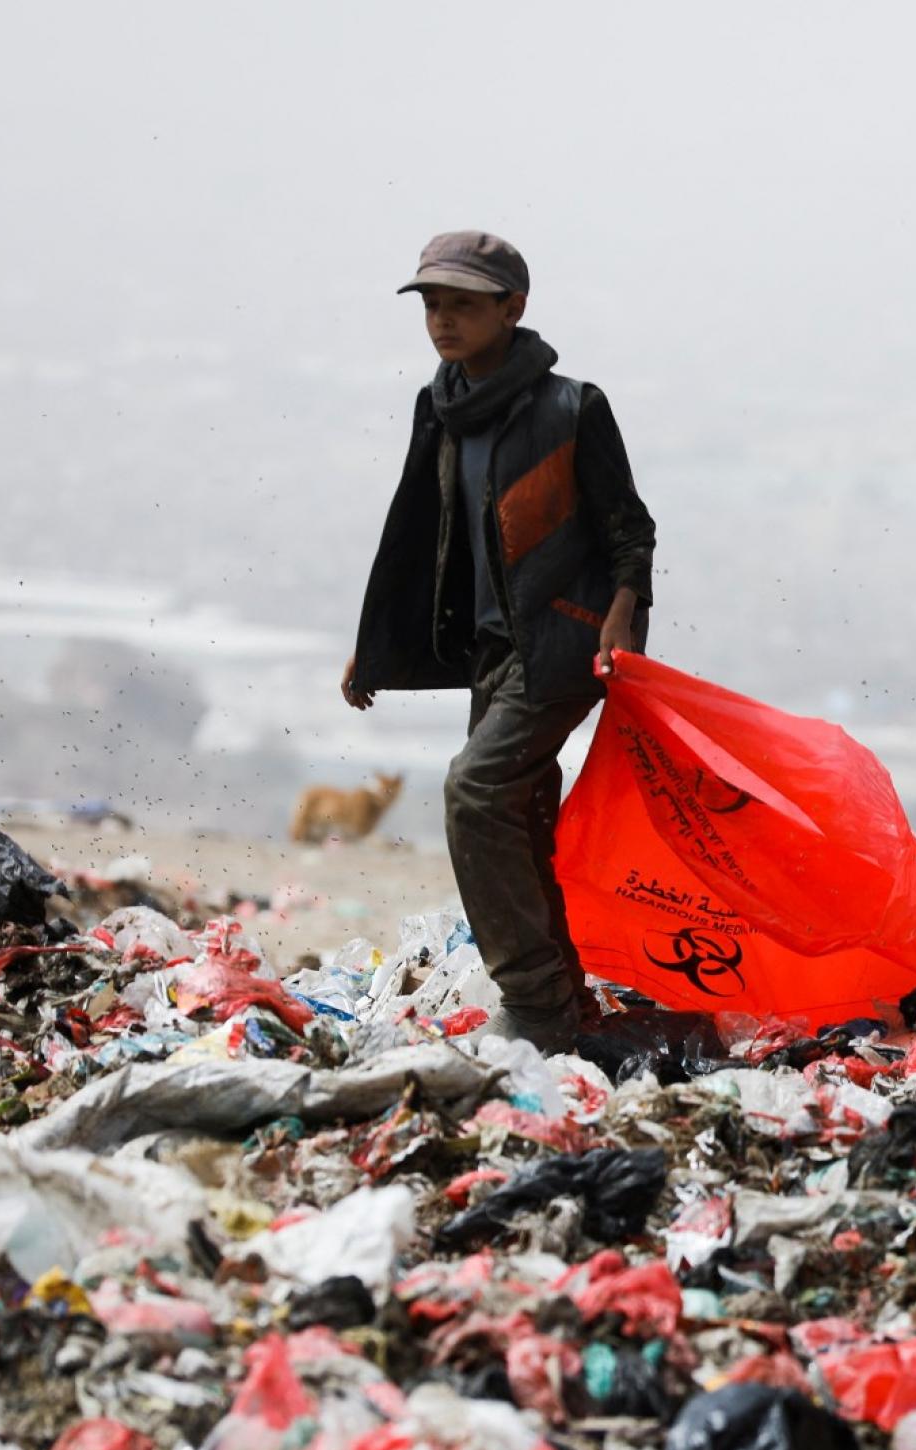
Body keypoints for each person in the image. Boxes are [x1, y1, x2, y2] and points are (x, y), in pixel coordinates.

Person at [339, 231, 658, 1053]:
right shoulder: (440, 406)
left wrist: (623, 616)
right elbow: (415, 535)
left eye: (463, 305)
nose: (443, 321)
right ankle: (567, 1000)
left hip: (561, 648)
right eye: (433, 306)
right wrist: (376, 643)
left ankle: (535, 1002)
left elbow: (630, 531)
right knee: (521, 818)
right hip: (488, 651)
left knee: (475, 794)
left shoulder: (570, 409)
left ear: (512, 309)